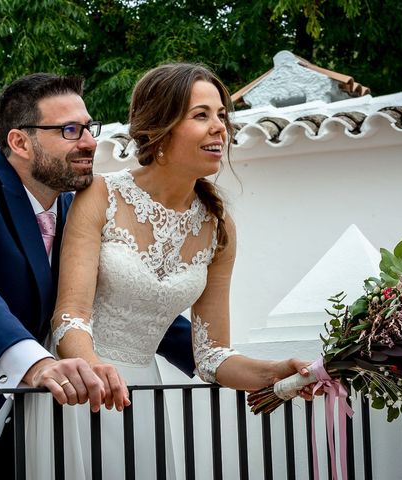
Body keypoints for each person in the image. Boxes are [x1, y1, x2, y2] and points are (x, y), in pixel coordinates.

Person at [0, 73, 195, 479]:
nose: (91, 142)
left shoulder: (82, 211)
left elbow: (125, 305)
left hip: (50, 432)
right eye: (70, 130)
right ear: (20, 142)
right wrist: (36, 365)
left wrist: (223, 363)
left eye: (90, 127)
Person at [31, 63, 313, 479]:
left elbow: (212, 356)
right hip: (79, 388)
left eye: (222, 116)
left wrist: (275, 372)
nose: (220, 127)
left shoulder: (218, 227)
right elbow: (69, 317)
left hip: (144, 396)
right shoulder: (101, 195)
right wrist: (95, 374)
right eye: (202, 115)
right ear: (160, 129)